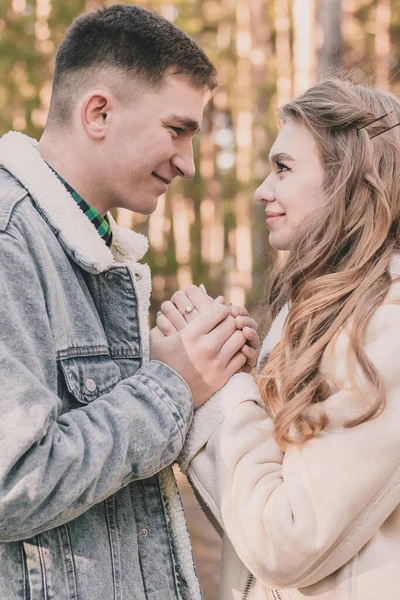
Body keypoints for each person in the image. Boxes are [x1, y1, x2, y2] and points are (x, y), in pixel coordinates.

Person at [0, 4, 258, 599]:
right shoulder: (10, 243)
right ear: (98, 112)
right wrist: (170, 383)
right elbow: (12, 481)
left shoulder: (90, 251)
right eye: (177, 130)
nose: (190, 163)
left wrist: (204, 365)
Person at [157, 78, 400, 599]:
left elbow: (283, 543)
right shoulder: (317, 315)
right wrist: (225, 377)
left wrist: (223, 392)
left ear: (348, 182)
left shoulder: (388, 329)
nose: (263, 190)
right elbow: (253, 525)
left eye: (283, 168)